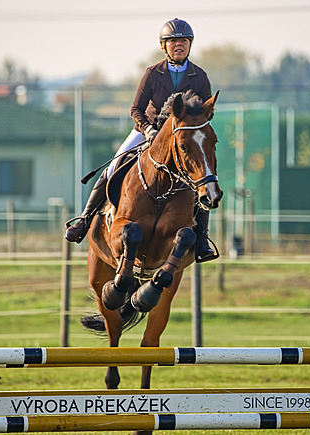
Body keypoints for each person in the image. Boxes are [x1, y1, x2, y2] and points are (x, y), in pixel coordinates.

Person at [65, 18, 218, 262]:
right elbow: (136, 109)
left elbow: (205, 111)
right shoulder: (152, 73)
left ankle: (201, 239)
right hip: (150, 130)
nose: (179, 45)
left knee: (203, 174)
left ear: (190, 45)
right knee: (115, 164)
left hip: (182, 136)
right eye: (173, 41)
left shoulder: (199, 76)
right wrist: (147, 130)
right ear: (164, 46)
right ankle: (84, 219)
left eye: (183, 41)